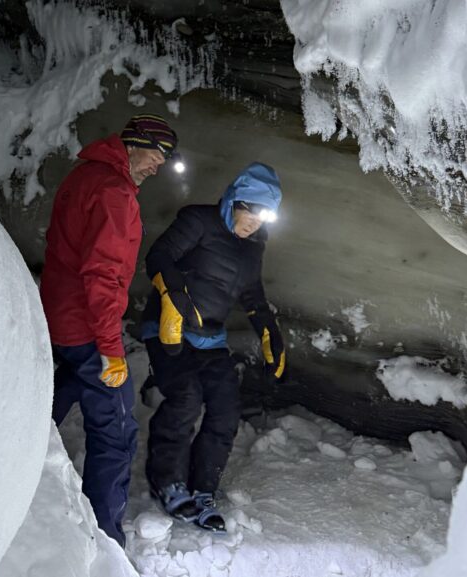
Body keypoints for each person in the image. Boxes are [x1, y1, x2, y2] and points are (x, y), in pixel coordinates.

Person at [39, 113, 178, 547]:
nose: (159, 165)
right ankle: (103, 538)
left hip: (60, 317)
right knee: (116, 433)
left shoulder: (86, 176)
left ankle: (25, 478)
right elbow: (103, 274)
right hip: (85, 326)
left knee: (51, 405)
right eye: (156, 153)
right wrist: (110, 346)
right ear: (134, 144)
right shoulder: (115, 191)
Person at [140, 162, 286, 532]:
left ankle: (203, 489)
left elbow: (252, 294)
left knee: (225, 409)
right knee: (186, 398)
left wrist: (268, 330)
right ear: (235, 199)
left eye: (263, 215)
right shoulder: (199, 221)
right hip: (168, 331)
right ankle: (167, 482)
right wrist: (172, 298)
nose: (254, 221)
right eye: (249, 209)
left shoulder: (254, 246)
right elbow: (159, 256)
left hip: (211, 339)